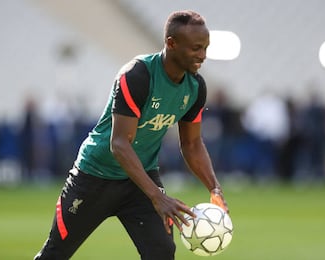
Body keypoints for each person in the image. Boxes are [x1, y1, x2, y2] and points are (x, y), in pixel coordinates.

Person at [34, 10, 229, 260]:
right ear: (171, 43)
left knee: (162, 252)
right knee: (55, 254)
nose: (202, 56)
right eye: (196, 48)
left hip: (140, 178)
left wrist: (214, 187)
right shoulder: (137, 75)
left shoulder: (195, 87)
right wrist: (157, 196)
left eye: (205, 48)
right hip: (95, 176)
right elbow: (119, 145)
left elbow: (191, 143)